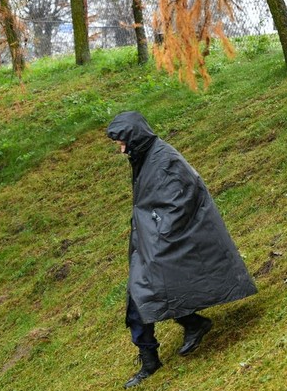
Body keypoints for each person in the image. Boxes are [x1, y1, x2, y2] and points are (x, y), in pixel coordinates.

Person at [107, 111, 257, 388]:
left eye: (121, 141)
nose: (120, 148)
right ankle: (158, 351)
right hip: (150, 240)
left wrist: (158, 229)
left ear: (133, 138)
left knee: (150, 290)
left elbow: (185, 196)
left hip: (165, 238)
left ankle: (179, 335)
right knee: (140, 295)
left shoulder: (164, 159)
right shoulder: (144, 157)